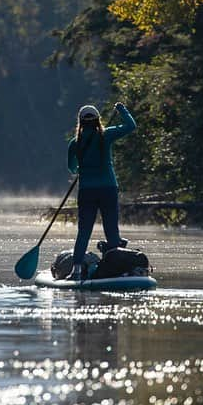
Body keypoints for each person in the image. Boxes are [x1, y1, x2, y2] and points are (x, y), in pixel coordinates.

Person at [66, 102, 136, 280]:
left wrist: (82, 165)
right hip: (108, 189)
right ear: (97, 120)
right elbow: (131, 126)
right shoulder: (107, 135)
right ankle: (116, 268)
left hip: (87, 191)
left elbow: (72, 169)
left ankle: (76, 271)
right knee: (112, 230)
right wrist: (121, 109)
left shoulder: (74, 143)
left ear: (80, 122)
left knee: (84, 231)